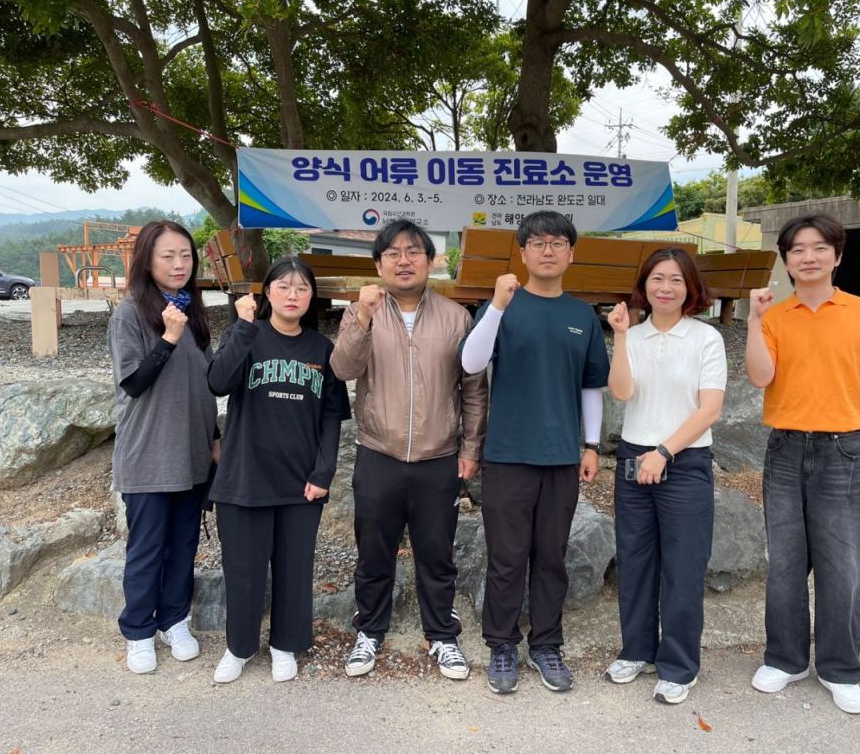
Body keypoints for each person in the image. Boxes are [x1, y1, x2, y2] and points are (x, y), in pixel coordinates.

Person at [745, 214, 860, 714]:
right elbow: (759, 377)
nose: (808, 257)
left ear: (837, 255)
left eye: (818, 248)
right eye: (797, 249)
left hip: (847, 451)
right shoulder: (774, 316)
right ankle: (785, 658)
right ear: (786, 260)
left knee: (842, 566)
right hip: (786, 450)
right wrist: (754, 322)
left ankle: (839, 667)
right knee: (785, 564)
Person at [330, 219, 488, 680]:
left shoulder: (457, 317)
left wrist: (471, 446)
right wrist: (363, 318)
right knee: (373, 552)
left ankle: (442, 635)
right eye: (393, 254)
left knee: (436, 554)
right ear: (378, 264)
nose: (404, 261)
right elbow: (342, 368)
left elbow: (474, 388)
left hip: (438, 457)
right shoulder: (361, 312)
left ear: (431, 261)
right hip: (378, 452)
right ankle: (369, 630)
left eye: (414, 252)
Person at [461, 210, 610, 694]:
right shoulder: (502, 306)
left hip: (562, 457)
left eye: (557, 243)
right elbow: (472, 362)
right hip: (507, 455)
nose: (548, 251)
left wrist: (591, 445)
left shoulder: (582, 316)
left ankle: (546, 644)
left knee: (551, 557)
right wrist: (497, 307)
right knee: (506, 557)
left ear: (571, 253)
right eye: (538, 243)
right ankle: (501, 645)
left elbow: (591, 386)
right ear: (523, 254)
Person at [207, 257, 351, 684]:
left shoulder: (322, 350)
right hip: (245, 478)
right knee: (243, 571)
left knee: (294, 569)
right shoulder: (245, 335)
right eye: (284, 286)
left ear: (312, 297)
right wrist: (243, 326)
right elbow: (218, 382)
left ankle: (285, 644)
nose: (293, 295)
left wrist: (323, 473)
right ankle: (239, 647)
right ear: (267, 292)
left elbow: (332, 417)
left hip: (299, 482)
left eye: (302, 288)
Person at [604, 248, 725, 704]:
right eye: (657, 278)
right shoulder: (632, 336)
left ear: (690, 287)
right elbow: (622, 392)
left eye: (676, 279)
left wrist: (664, 452)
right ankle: (637, 650)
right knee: (635, 561)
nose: (666, 287)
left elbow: (710, 409)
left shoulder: (705, 338)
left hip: (684, 462)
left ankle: (678, 665)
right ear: (644, 284)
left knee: (683, 567)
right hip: (634, 457)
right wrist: (620, 337)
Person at [107, 220, 219, 674]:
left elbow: (206, 383)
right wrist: (169, 338)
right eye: (168, 255)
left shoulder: (193, 312)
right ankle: (138, 631)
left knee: (183, 544)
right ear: (147, 260)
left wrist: (215, 438)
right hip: (148, 455)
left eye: (186, 255)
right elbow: (134, 383)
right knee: (147, 548)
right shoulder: (130, 313)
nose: (179, 264)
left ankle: (175, 620)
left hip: (192, 452)